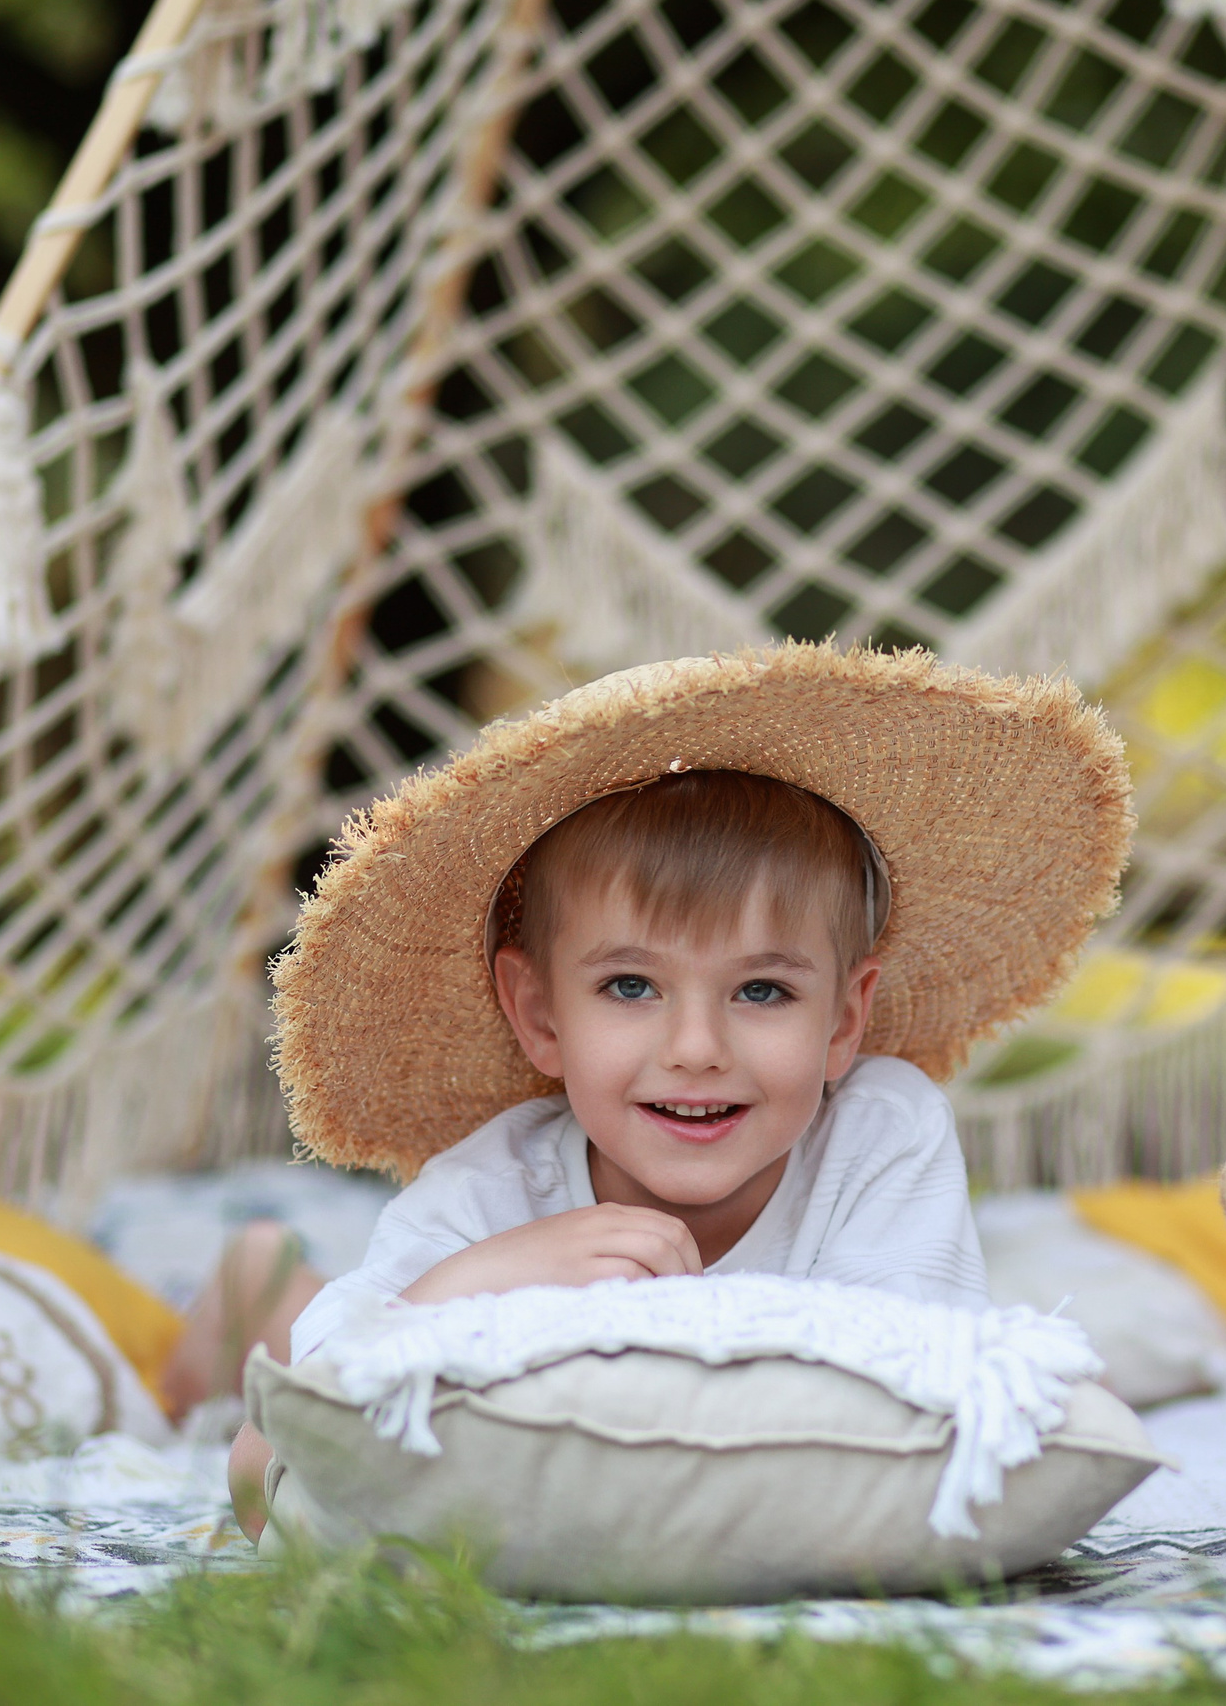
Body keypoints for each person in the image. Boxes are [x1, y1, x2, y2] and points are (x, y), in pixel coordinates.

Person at [227, 644, 1134, 1539]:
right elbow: (282, 1437)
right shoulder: (496, 1190)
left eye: (762, 990)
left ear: (844, 1019)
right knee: (275, 1328)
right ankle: (249, 1283)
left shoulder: (879, 1133)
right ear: (539, 1014)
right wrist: (480, 1277)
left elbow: (923, 1382)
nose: (697, 1049)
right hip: (345, 1305)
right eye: (630, 987)